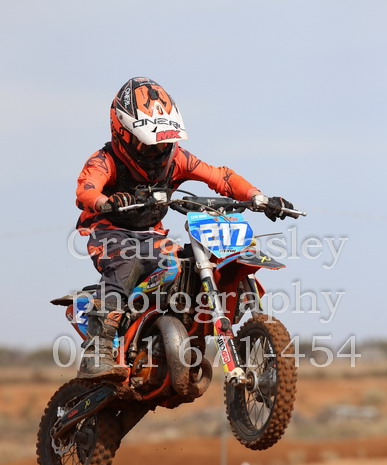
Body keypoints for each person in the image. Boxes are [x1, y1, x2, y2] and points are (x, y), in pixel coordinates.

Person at [75, 77, 295, 381]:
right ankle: (97, 352)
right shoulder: (105, 160)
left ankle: (172, 333)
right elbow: (86, 189)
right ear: (122, 134)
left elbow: (220, 177)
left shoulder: (177, 159)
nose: (158, 150)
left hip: (152, 234)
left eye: (164, 142)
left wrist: (258, 197)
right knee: (126, 264)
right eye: (149, 143)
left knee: (185, 266)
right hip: (109, 232)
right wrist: (105, 202)